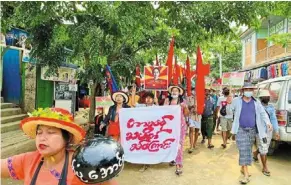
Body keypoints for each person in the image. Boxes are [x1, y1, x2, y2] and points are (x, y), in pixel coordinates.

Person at [1, 108, 117, 185]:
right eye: (39, 132)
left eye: (51, 132)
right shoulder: (28, 160)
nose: (42, 137)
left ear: (67, 138)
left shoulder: (83, 165)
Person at [231, 83, 272, 184]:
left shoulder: (256, 102)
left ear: (253, 91)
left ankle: (242, 168)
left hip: (252, 130)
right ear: (243, 91)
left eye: (250, 89)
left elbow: (263, 113)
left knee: (247, 150)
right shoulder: (236, 101)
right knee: (243, 149)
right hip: (241, 130)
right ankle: (246, 175)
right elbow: (230, 110)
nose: (249, 91)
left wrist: (268, 123)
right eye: (247, 89)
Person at [253, 89, 280, 176]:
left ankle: (255, 153)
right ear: (261, 98)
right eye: (265, 96)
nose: (267, 97)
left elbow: (273, 119)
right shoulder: (257, 107)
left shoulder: (271, 108)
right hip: (260, 131)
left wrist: (276, 131)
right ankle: (265, 167)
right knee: (264, 149)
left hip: (269, 131)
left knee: (264, 147)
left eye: (268, 96)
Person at [164, 85, 189, 175]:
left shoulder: (182, 101)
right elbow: (163, 112)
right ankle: (172, 159)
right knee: (170, 143)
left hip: (180, 126)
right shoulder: (167, 101)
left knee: (179, 145)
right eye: (173, 91)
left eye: (176, 91)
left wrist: (185, 107)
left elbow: (186, 114)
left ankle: (178, 165)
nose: (174, 92)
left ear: (179, 93)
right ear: (171, 92)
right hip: (170, 127)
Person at [135, 91, 158, 172]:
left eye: (150, 98)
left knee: (151, 146)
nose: (148, 99)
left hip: (153, 131)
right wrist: (134, 93)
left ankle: (149, 161)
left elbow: (161, 113)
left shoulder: (156, 107)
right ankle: (145, 163)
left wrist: (157, 102)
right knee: (144, 146)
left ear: (153, 99)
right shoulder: (142, 106)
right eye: (146, 98)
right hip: (143, 131)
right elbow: (134, 105)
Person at [187, 87, 201, 153]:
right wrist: (192, 107)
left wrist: (198, 110)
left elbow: (202, 106)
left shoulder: (200, 98)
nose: (194, 92)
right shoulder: (189, 98)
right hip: (191, 116)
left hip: (198, 116)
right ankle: (191, 145)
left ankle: (195, 143)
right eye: (193, 90)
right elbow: (186, 107)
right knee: (191, 129)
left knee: (197, 130)